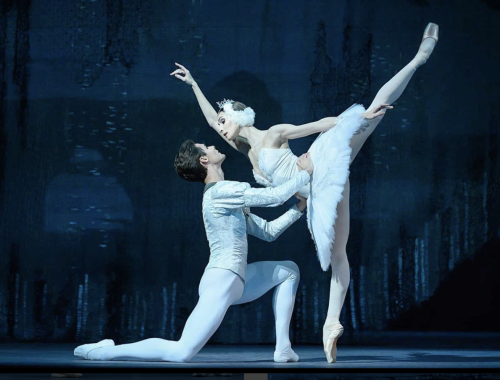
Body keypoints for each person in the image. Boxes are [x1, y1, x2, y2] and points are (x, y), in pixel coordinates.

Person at [171, 23, 439, 363]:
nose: (219, 125)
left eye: (225, 119)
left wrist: (357, 121)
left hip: (319, 167)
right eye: (220, 123)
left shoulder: (274, 134)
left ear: (239, 116)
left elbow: (319, 126)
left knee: (372, 113)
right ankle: (331, 323)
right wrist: (194, 84)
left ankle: (418, 59)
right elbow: (211, 121)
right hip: (314, 194)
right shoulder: (244, 149)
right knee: (337, 254)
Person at [73, 141, 314, 363]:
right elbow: (273, 197)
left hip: (235, 280)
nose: (211, 146)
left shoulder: (228, 196)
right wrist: (305, 172)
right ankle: (105, 352)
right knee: (181, 352)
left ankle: (283, 348)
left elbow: (269, 232)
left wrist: (300, 206)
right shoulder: (220, 192)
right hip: (222, 279)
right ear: (203, 160)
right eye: (205, 147)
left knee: (288, 271)